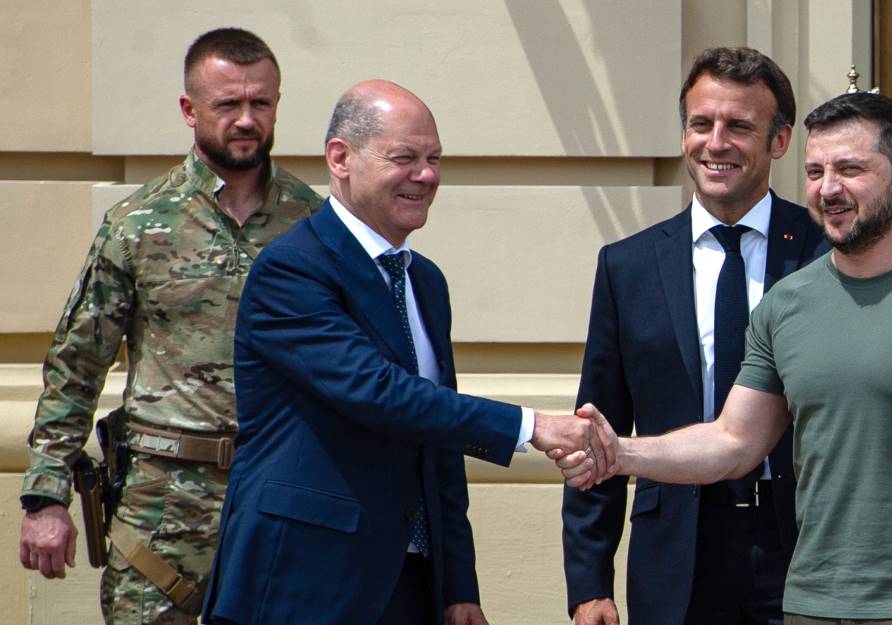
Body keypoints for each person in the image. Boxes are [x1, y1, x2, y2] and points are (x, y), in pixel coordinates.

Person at [561, 47, 892, 625]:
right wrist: (618, 456)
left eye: (850, 169)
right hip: (770, 586)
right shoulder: (778, 299)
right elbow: (733, 439)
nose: (829, 189)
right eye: (816, 172)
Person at [201, 80, 610, 625]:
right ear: (340, 158)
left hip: (413, 583)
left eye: (433, 159)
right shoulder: (292, 268)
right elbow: (378, 392)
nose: (426, 176)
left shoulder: (425, 282)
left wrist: (458, 586)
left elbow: (438, 442)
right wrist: (532, 426)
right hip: (307, 581)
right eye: (404, 158)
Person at [17, 28, 324, 624]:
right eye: (227, 103)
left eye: (260, 103)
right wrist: (45, 495)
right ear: (189, 109)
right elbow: (77, 365)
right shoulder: (137, 223)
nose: (246, 119)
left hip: (279, 495)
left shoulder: (313, 224)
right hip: (161, 505)